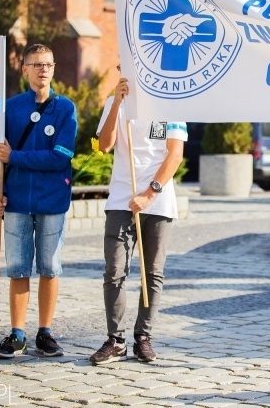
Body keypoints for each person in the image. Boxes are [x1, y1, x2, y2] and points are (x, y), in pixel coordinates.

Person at [89, 68, 186, 365]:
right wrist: (117, 103)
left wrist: (149, 193)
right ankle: (115, 339)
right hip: (120, 199)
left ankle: (143, 337)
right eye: (123, 67)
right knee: (114, 270)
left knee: (152, 273)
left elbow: (175, 155)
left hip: (156, 201)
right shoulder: (113, 103)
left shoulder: (172, 104)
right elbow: (104, 146)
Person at [0, 44, 78, 358]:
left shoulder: (66, 108)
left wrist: (17, 156)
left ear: (53, 69)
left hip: (52, 199)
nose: (43, 70)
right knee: (17, 269)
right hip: (15, 201)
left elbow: (60, 157)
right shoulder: (10, 108)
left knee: (50, 267)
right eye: (36, 64)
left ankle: (45, 333)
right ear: (24, 69)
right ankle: (17, 334)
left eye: (48, 65)